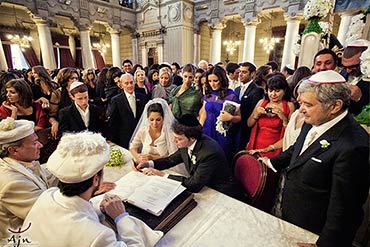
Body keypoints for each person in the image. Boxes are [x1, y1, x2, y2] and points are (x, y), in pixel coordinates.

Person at [260, 70, 369, 247]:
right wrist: (272, 162)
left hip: (314, 230)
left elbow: (346, 208)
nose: (301, 110)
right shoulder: (315, 118)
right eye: (300, 103)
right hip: (292, 216)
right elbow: (300, 149)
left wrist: (325, 244)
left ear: (334, 106)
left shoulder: (354, 146)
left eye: (308, 105)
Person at [22, 131, 162, 246]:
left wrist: (96, 209)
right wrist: (121, 217)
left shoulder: (48, 195)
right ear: (96, 179)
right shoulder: (98, 236)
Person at [135, 114, 242, 199]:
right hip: (203, 186)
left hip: (220, 192)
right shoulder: (185, 143)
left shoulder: (210, 153)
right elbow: (171, 160)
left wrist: (162, 175)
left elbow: (194, 185)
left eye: (178, 138)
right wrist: (149, 164)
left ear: (192, 138)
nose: (174, 141)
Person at [0, 118, 57, 241]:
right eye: (35, 142)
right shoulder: (12, 182)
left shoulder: (25, 162)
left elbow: (49, 179)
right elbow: (49, 212)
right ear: (13, 150)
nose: (41, 145)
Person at [199, 65, 241, 162]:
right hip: (207, 130)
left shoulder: (231, 95)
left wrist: (230, 117)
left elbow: (239, 117)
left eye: (215, 81)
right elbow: (203, 114)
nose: (212, 84)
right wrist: (199, 130)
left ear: (222, 79)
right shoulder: (208, 94)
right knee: (207, 159)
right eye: (210, 81)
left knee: (221, 159)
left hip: (222, 133)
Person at [247, 74, 294, 157]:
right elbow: (249, 124)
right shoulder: (261, 103)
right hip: (257, 145)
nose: (273, 94)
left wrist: (284, 118)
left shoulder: (289, 106)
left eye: (277, 91)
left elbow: (291, 134)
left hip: (276, 147)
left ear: (284, 91)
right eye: (270, 91)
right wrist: (256, 115)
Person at [130, 98, 177, 162]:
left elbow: (173, 157)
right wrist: (138, 157)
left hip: (164, 168)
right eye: (151, 120)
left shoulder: (169, 134)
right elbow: (132, 147)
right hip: (144, 166)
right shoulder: (143, 131)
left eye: (158, 120)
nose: (154, 123)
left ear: (163, 119)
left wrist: (153, 158)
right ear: (147, 118)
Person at [107, 73, 147, 148]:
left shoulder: (142, 97)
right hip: (124, 139)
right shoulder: (116, 100)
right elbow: (113, 122)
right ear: (121, 85)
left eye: (131, 82)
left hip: (141, 136)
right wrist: (111, 140)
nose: (130, 85)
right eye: (126, 83)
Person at [234, 62, 265, 151]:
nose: (240, 74)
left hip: (247, 129)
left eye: (244, 72)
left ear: (252, 74)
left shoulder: (257, 90)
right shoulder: (237, 89)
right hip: (236, 127)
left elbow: (253, 111)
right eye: (240, 72)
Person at [342, 39, 370, 115]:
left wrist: (360, 98)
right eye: (345, 67)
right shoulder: (344, 73)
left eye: (353, 67)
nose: (348, 71)